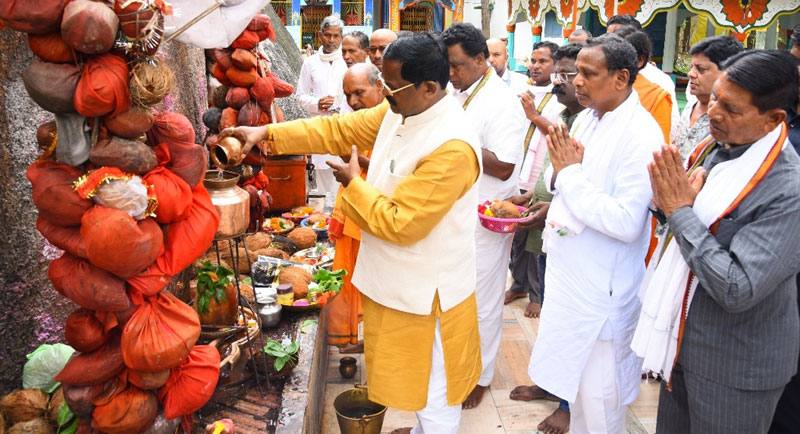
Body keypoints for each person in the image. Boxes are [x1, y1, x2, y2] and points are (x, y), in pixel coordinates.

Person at [224, 33, 482, 434]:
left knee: (435, 392)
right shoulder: (402, 109)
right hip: (394, 284)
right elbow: (339, 130)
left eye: (393, 89)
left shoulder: (452, 146)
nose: (387, 97)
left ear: (430, 88)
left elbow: (401, 223)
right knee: (416, 387)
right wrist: (268, 135)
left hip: (426, 295)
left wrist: (353, 182)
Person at [632, 50, 800, 434]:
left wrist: (679, 212)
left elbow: (737, 288)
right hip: (683, 342)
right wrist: (666, 204)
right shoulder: (718, 148)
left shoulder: (787, 187)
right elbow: (689, 214)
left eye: (731, 108)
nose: (713, 114)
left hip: (737, 366)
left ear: (774, 119)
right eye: (715, 100)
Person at [529, 34, 661, 434]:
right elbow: (563, 175)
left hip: (603, 292)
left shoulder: (642, 135)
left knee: (602, 404)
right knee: (580, 396)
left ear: (621, 78)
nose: (576, 82)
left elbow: (625, 222)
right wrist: (564, 172)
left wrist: (569, 173)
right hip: (572, 280)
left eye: (587, 74)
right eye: (576, 73)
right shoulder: (589, 116)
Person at [441, 22, 526, 410]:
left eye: (457, 65)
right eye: (448, 66)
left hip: (485, 215)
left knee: (483, 300)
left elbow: (505, 166)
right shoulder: (460, 92)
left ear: (481, 60)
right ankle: (457, 364)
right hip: (456, 213)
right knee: (458, 296)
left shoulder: (501, 100)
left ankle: (482, 376)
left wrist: (457, 142)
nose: (451, 73)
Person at [507, 42, 587, 434]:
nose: (561, 82)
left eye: (569, 75)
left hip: (578, 244)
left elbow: (585, 192)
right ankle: (549, 381)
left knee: (571, 322)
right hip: (550, 226)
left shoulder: (592, 122)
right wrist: (532, 196)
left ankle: (569, 405)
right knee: (553, 318)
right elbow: (550, 171)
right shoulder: (564, 113)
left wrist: (549, 208)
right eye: (562, 73)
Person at [326, 63, 386, 353]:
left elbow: (396, 173)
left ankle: (376, 342)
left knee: (376, 281)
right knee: (349, 275)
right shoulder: (356, 119)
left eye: (359, 93)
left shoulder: (395, 118)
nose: (352, 102)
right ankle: (351, 339)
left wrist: (358, 164)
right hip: (353, 206)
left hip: (380, 213)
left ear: (380, 87)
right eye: (347, 95)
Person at [505, 40, 562, 314]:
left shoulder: (561, 95)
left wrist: (534, 115)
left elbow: (561, 133)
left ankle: (537, 295)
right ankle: (519, 284)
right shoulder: (523, 91)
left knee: (535, 240)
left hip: (541, 176)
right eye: (533, 61)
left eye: (543, 62)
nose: (535, 66)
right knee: (516, 238)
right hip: (519, 173)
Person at [295, 15, 348, 195]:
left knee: (348, 179)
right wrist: (317, 103)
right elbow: (300, 96)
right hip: (321, 129)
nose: (331, 40)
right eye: (327, 35)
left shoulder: (348, 62)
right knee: (325, 183)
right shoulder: (310, 63)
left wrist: (339, 103)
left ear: (341, 37)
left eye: (335, 36)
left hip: (346, 128)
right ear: (320, 36)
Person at [672, 36, 743, 159]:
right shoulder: (691, 104)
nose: (690, 74)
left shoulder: (732, 118)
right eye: (691, 67)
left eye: (701, 69)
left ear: (727, 72)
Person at [614, 27, 673, 143]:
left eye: (618, 56)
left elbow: (659, 145)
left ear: (640, 60)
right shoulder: (599, 88)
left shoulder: (656, 96)